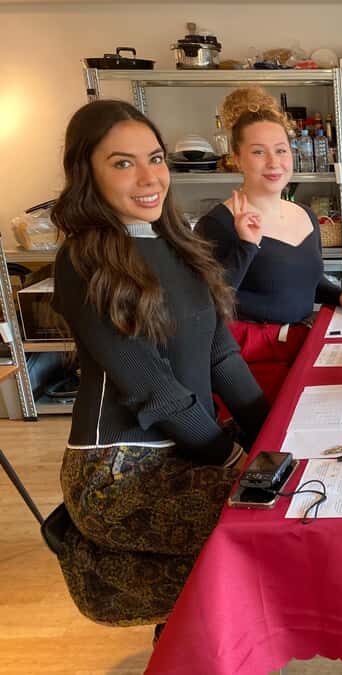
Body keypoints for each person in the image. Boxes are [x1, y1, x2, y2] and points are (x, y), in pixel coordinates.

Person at [49, 100, 269, 629]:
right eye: (123, 163)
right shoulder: (84, 260)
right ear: (87, 174)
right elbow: (152, 387)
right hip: (118, 471)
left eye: (155, 158)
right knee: (268, 530)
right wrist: (234, 455)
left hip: (184, 452)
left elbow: (221, 356)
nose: (149, 178)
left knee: (270, 523)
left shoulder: (179, 246)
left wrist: (273, 431)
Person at [196, 86, 342, 403]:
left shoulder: (304, 215)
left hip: (299, 348)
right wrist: (246, 246)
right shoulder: (218, 224)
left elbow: (302, 279)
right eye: (258, 152)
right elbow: (204, 306)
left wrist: (340, 294)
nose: (273, 162)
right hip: (250, 365)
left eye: (280, 150)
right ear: (237, 158)